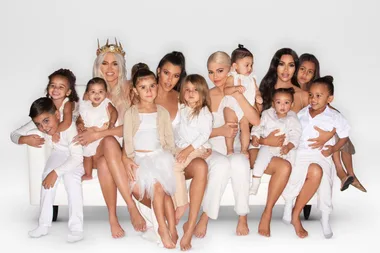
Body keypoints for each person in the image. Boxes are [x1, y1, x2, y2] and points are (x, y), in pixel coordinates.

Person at [74, 39, 146, 238]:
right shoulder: (92, 91)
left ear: (121, 66)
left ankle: (113, 218)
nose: (109, 68)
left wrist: (99, 133)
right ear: (98, 66)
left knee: (107, 159)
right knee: (106, 146)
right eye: (104, 63)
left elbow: (134, 127)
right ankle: (132, 207)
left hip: (121, 150)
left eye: (115, 63)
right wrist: (81, 127)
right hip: (94, 151)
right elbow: (80, 118)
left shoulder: (131, 89)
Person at [194, 51, 260, 238]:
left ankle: (242, 216)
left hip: (235, 147)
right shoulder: (205, 95)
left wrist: (239, 97)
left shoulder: (242, 89)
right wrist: (220, 131)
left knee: (239, 163)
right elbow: (196, 129)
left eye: (220, 71)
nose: (215, 77)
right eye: (211, 72)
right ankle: (205, 217)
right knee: (221, 165)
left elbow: (255, 120)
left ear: (231, 68)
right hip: (211, 149)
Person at [282, 76, 350, 239]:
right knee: (295, 175)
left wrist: (333, 148)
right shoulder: (302, 114)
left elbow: (345, 136)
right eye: (311, 95)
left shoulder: (334, 116)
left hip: (322, 154)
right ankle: (288, 204)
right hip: (302, 152)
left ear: (329, 98)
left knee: (326, 180)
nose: (313, 99)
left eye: (319, 96)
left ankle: (325, 218)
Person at [154, 51, 208, 251]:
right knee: (171, 165)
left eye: (176, 75)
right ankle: (170, 219)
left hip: (178, 152)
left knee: (201, 165)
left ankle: (190, 226)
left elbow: (198, 125)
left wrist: (202, 147)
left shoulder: (182, 98)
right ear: (158, 70)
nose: (170, 79)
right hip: (157, 155)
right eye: (166, 73)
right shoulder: (146, 93)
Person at [15, 97, 84, 242]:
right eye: (38, 124)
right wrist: (24, 139)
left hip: (76, 156)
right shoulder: (43, 123)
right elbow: (14, 135)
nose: (43, 128)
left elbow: (77, 157)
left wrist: (56, 172)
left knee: (72, 181)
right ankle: (43, 225)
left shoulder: (69, 127)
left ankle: (76, 228)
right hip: (58, 153)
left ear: (57, 115)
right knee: (46, 177)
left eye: (46, 121)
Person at [123, 69, 177, 249]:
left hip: (159, 156)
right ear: (135, 90)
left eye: (152, 86)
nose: (149, 91)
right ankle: (163, 228)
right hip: (139, 158)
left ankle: (172, 229)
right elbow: (127, 139)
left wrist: (174, 154)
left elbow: (168, 138)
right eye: (143, 87)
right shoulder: (131, 113)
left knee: (162, 191)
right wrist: (128, 159)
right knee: (157, 188)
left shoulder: (161, 112)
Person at [296, 53, 366, 192]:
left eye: (310, 72)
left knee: (340, 134)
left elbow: (329, 110)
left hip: (317, 127)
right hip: (304, 132)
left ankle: (350, 174)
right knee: (334, 135)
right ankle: (343, 174)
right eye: (302, 69)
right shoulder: (293, 90)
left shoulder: (316, 88)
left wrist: (333, 129)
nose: (305, 74)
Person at [173, 74, 213, 224]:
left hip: (196, 148)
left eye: (195, 90)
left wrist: (187, 151)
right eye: (187, 89)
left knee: (176, 167)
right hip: (181, 146)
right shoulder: (182, 108)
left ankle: (182, 203)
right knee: (167, 166)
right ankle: (173, 204)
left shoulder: (204, 112)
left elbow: (204, 135)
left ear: (202, 93)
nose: (190, 93)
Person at [249, 88, 301, 195]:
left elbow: (296, 135)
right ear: (273, 104)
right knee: (260, 160)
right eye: (278, 102)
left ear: (292, 105)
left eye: (286, 102)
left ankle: (289, 186)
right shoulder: (267, 114)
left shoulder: (293, 119)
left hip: (284, 148)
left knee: (292, 162)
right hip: (267, 146)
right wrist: (255, 136)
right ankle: (255, 182)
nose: (282, 106)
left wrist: (289, 146)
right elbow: (258, 126)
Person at [224, 44, 263, 157]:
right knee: (231, 125)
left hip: (246, 108)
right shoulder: (232, 77)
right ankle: (230, 149)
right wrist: (235, 88)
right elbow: (226, 90)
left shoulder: (252, 79)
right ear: (235, 66)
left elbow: (257, 91)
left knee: (245, 127)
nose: (250, 68)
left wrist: (258, 97)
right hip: (232, 106)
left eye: (251, 65)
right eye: (247, 65)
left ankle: (244, 149)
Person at [77, 77, 118, 180]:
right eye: (93, 92)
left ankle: (109, 167)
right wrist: (80, 124)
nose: (97, 94)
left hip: (103, 133)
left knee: (103, 148)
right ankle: (88, 173)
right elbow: (80, 118)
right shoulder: (85, 106)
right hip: (89, 136)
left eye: (100, 91)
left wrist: (112, 122)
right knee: (86, 154)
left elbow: (114, 112)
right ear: (87, 94)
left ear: (106, 93)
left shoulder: (106, 103)